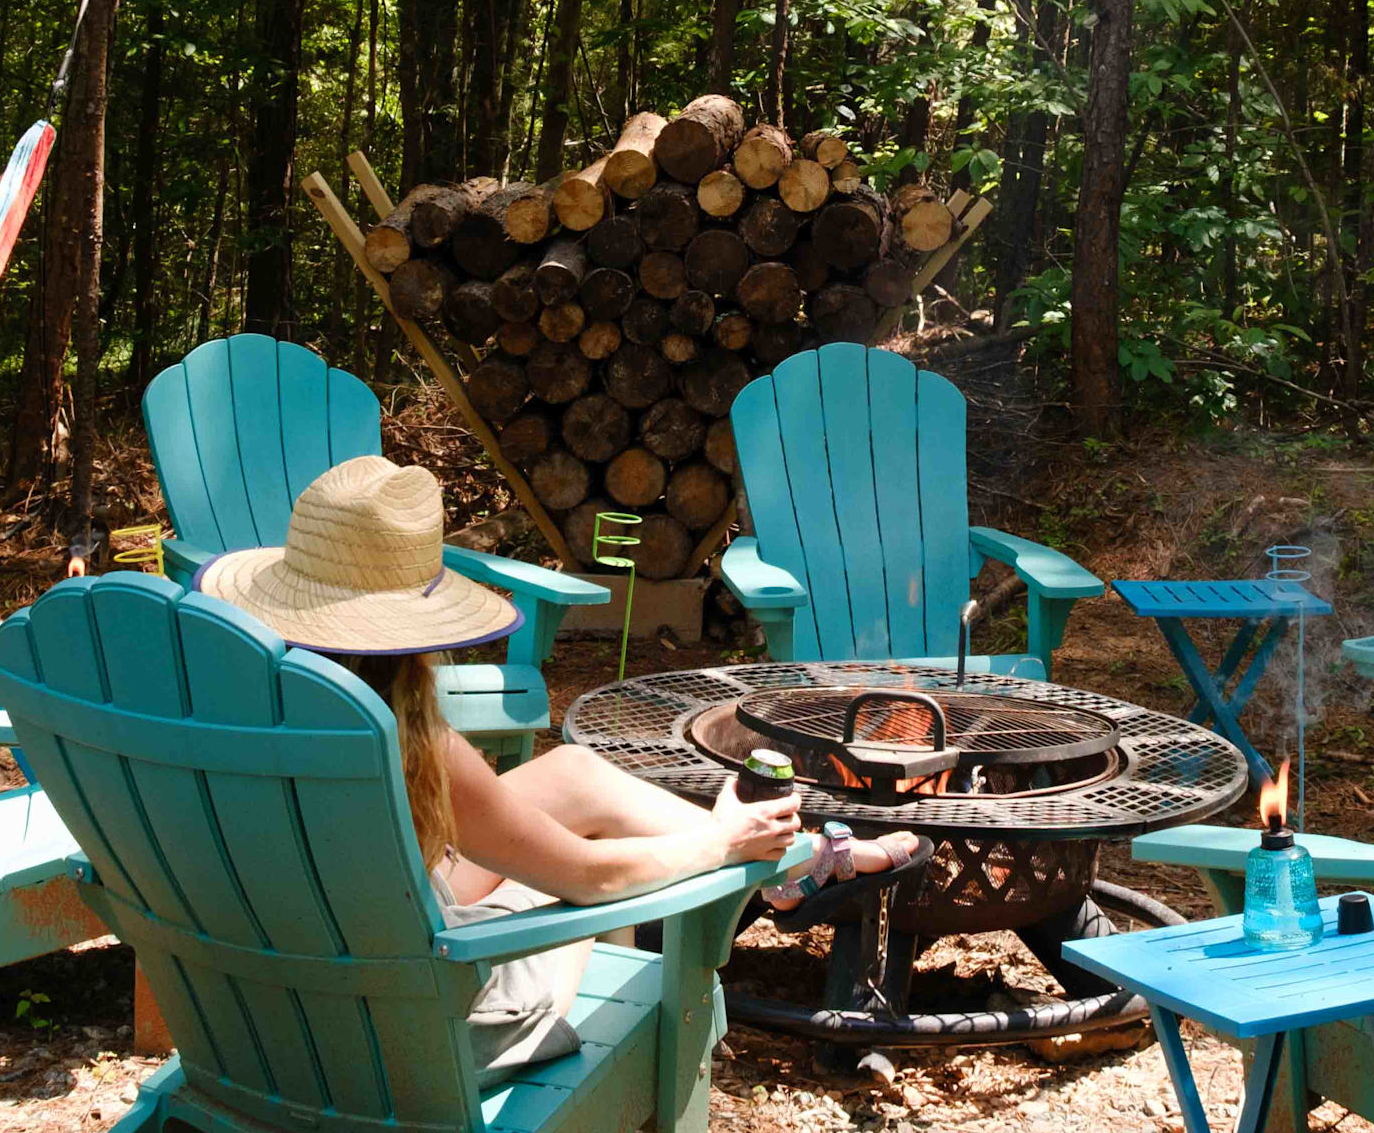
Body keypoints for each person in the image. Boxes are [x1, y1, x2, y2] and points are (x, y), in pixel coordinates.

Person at [196, 455, 915, 1067]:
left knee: (573, 775)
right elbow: (592, 878)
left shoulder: (224, 714)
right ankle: (771, 865)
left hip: (284, 995)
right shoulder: (413, 750)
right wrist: (720, 844)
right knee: (570, 872)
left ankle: (791, 857)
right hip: (426, 1030)